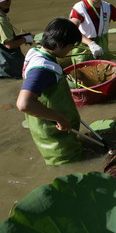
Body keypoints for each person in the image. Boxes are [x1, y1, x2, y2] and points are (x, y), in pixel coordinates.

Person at [16, 18, 84, 165]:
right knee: (69, 162)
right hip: (54, 131)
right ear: (58, 44)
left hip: (49, 124)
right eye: (70, 47)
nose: (70, 50)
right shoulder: (42, 68)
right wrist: (59, 118)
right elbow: (24, 104)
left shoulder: (35, 52)